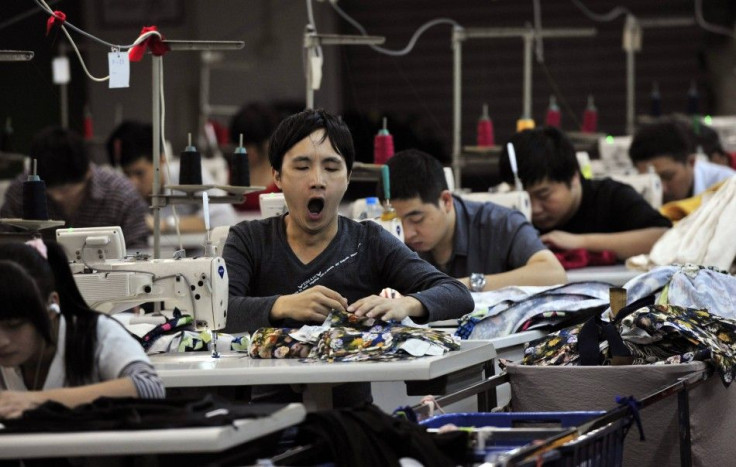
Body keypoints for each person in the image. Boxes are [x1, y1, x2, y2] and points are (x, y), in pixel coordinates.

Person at [222, 109, 473, 406]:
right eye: (302, 167)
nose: (317, 180)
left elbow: (457, 294)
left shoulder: (368, 242)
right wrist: (284, 304)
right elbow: (220, 313)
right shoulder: (249, 240)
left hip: (350, 419)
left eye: (331, 167)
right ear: (276, 175)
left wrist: (404, 304)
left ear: (348, 176)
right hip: (268, 419)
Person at [0, 240, 164, 418]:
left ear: (51, 305)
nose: (2, 341)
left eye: (14, 324)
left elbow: (150, 387)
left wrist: (37, 400)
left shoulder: (96, 333)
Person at [383, 149, 566, 291]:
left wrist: (466, 285)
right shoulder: (387, 237)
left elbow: (553, 273)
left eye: (416, 219)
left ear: (446, 201)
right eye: (397, 223)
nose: (406, 234)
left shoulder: (500, 223)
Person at [499, 127, 671, 260]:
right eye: (525, 199)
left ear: (574, 177)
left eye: (543, 195)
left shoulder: (611, 196)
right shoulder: (510, 213)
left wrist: (580, 242)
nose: (534, 209)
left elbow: (663, 237)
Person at [0, 126, 149, 249]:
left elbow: (138, 253)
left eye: (65, 191)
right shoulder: (22, 192)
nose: (58, 197)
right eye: (50, 192)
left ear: (88, 173)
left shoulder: (121, 196)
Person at [106, 121, 238, 232]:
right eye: (126, 175)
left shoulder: (186, 175)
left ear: (161, 160)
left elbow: (223, 216)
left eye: (139, 173)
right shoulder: (120, 192)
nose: (132, 183)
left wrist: (164, 225)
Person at [629, 119, 736, 202]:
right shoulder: (633, 191)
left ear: (691, 162)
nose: (662, 189)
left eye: (668, 177)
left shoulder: (727, 185)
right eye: (650, 181)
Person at [228, 102, 282, 211]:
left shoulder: (284, 178)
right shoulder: (228, 175)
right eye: (242, 146)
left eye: (252, 146)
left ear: (268, 142)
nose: (246, 152)